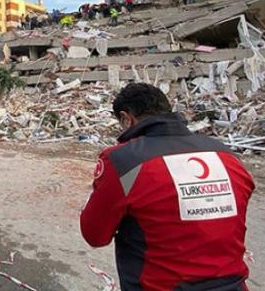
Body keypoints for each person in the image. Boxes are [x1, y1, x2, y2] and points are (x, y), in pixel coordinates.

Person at [80, 83, 254, 291]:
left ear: (127, 119)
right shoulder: (225, 154)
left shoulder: (124, 160)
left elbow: (95, 235)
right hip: (233, 285)